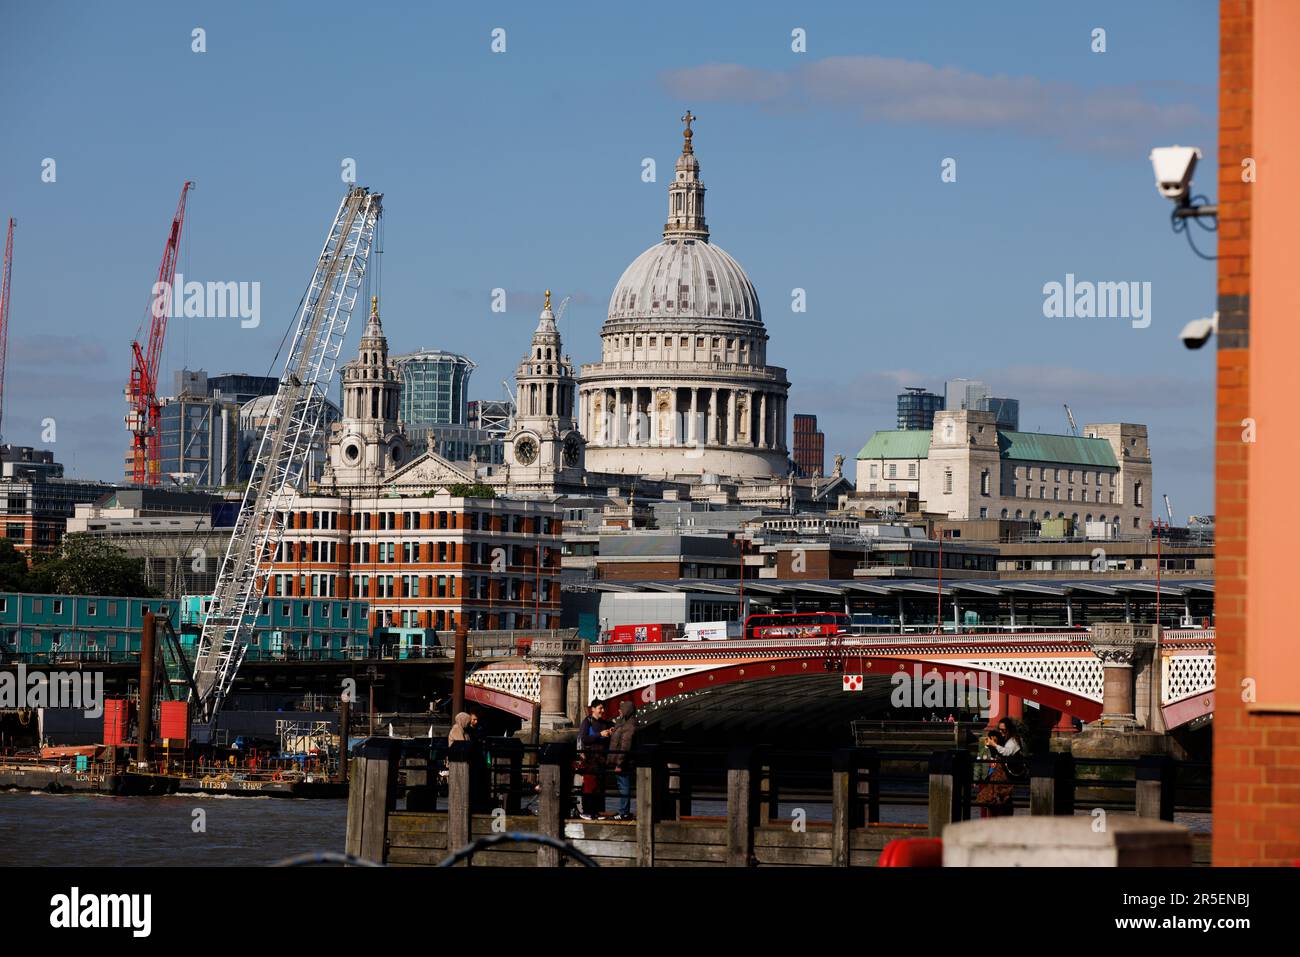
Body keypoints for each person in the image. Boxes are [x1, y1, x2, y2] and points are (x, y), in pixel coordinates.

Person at [576, 701, 613, 820]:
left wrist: (610, 733)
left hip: (601, 759)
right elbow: (584, 739)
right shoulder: (587, 722)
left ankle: (597, 812)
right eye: (600, 708)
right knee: (589, 785)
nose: (603, 711)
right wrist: (599, 734)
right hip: (590, 758)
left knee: (599, 786)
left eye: (603, 708)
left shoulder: (604, 723)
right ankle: (587, 811)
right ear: (593, 709)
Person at [608, 701, 638, 820]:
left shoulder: (630, 726)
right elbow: (620, 735)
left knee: (624, 787)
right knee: (622, 786)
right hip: (621, 761)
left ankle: (624, 812)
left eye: (621, 709)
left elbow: (625, 746)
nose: (619, 711)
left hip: (624, 763)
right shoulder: (625, 722)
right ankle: (623, 811)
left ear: (627, 710)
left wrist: (619, 764)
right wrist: (613, 730)